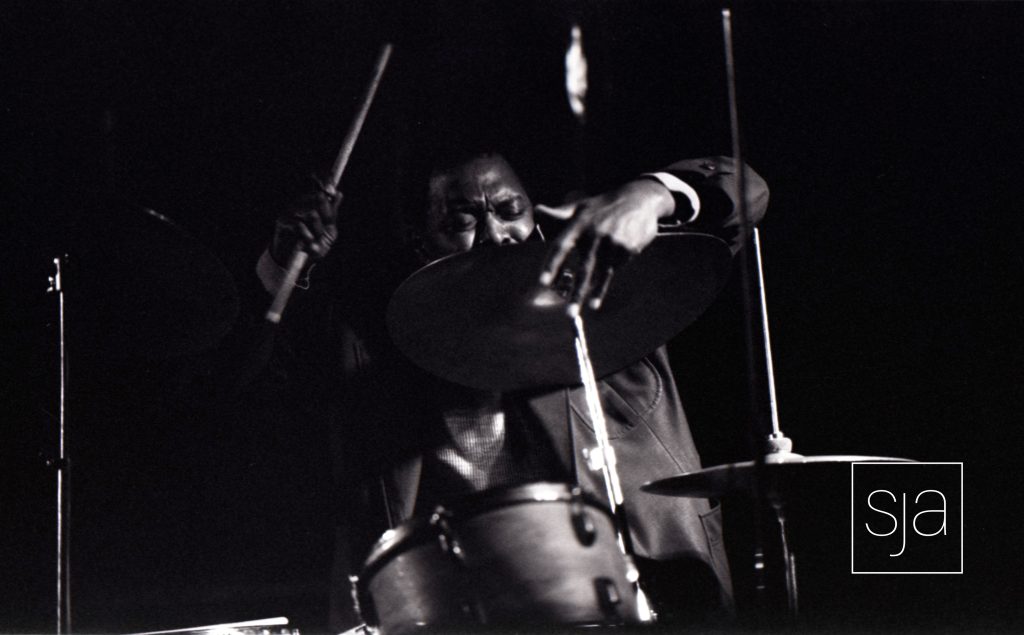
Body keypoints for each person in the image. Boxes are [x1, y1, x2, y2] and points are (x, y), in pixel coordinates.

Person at [254, 149, 768, 630]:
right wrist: (287, 260)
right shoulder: (377, 345)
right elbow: (278, 371)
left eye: (509, 211)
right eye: (462, 221)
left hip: (653, 602)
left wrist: (652, 195)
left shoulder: (606, 296)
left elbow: (749, 189)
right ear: (420, 241)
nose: (495, 235)